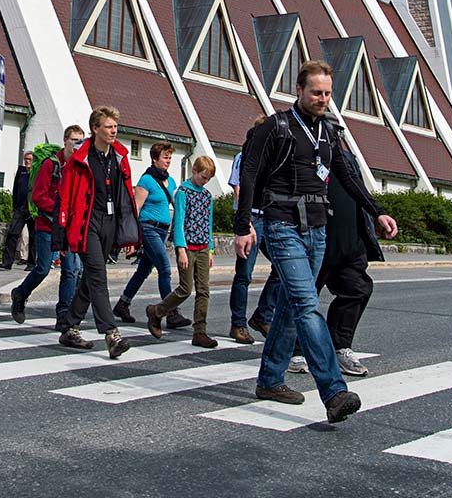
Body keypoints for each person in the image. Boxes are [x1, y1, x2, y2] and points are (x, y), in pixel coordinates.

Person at [233, 60, 395, 424]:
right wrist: (242, 225)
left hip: (317, 227)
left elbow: (348, 177)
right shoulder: (275, 127)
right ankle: (334, 391)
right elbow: (249, 173)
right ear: (299, 90)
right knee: (307, 304)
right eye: (316, 93)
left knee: (292, 307)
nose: (323, 99)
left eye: (327, 93)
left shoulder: (329, 133)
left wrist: (377, 211)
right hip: (281, 224)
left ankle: (270, 379)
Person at [54, 106, 139, 358]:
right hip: (86, 223)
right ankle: (111, 334)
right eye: (109, 126)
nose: (114, 131)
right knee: (98, 275)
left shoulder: (120, 157)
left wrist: (128, 232)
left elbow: (126, 196)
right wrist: (61, 235)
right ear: (95, 129)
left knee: (90, 280)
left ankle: (70, 326)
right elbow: (65, 197)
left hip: (109, 223)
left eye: (115, 126)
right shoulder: (80, 159)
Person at [317, 137, 392, 377]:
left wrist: (378, 213)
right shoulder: (304, 154)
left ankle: (340, 347)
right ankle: (294, 349)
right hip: (316, 241)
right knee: (301, 300)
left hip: (350, 244)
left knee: (358, 289)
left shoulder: (348, 160)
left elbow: (359, 190)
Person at [10, 125, 84, 324]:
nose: (78, 144)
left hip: (68, 228)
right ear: (65, 140)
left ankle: (63, 314)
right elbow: (38, 196)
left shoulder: (78, 167)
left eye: (81, 141)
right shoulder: (51, 165)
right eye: (75, 140)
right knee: (43, 268)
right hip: (47, 224)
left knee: (70, 270)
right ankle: (20, 294)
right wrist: (60, 209)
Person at [113, 142, 190, 329]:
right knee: (164, 268)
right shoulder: (146, 180)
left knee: (144, 270)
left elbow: (175, 202)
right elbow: (136, 208)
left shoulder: (170, 181)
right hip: (148, 229)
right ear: (155, 159)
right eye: (165, 157)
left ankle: (123, 304)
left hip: (163, 230)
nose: (168, 161)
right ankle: (170, 312)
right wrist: (133, 236)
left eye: (170, 157)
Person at [144, 155, 218, 348]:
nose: (205, 181)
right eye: (203, 176)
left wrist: (210, 249)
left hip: (202, 247)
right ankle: (157, 311)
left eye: (208, 178)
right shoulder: (183, 192)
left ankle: (200, 331)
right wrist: (181, 249)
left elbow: (208, 223)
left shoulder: (207, 196)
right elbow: (179, 222)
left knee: (204, 290)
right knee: (185, 288)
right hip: (187, 247)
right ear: (194, 171)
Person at [228, 115, 278, 344]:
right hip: (252, 219)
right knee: (244, 275)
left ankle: (263, 314)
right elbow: (239, 190)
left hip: (271, 219)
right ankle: (238, 324)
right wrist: (244, 222)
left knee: (282, 269)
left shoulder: (273, 158)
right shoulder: (244, 156)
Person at [0, 151, 36, 270]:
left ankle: (31, 263)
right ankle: (7, 262)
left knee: (33, 237)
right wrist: (14, 206)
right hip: (20, 209)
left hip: (32, 209)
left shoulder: (36, 172)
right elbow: (16, 189)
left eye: (29, 159)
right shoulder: (21, 171)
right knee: (12, 234)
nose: (27, 161)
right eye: (26, 159)